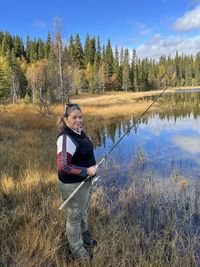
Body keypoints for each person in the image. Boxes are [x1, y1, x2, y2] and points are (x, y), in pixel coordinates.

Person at [57, 103, 98, 261]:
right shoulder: (65, 138)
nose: (78, 120)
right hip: (73, 185)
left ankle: (86, 237)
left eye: (80, 117)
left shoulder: (80, 133)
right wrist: (86, 171)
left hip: (85, 182)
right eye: (74, 117)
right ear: (66, 119)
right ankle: (78, 252)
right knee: (74, 218)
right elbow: (64, 165)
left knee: (83, 211)